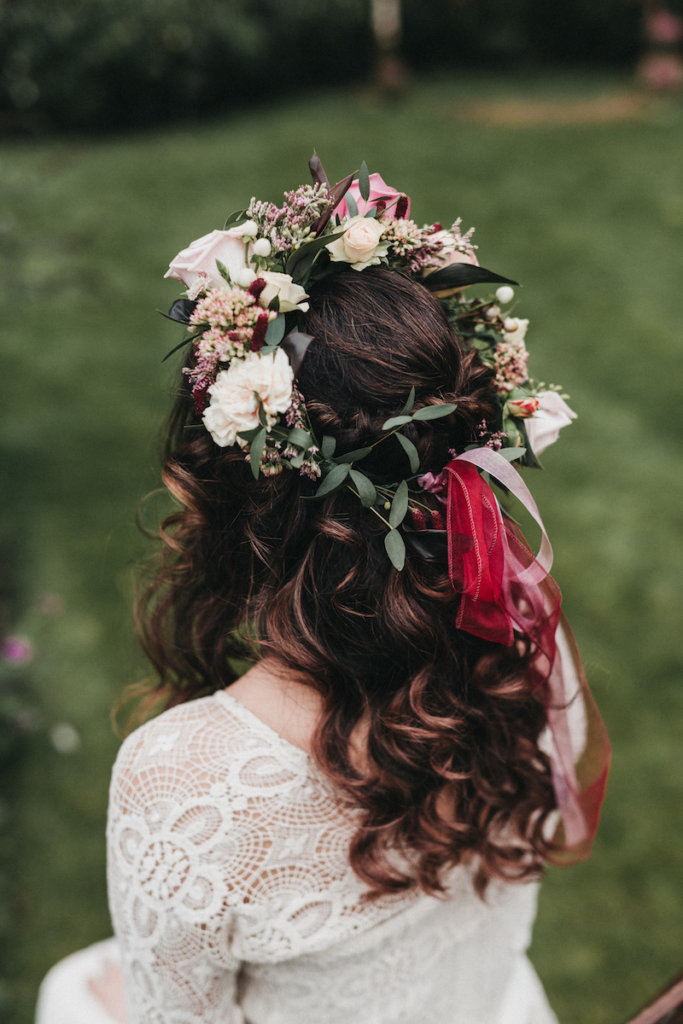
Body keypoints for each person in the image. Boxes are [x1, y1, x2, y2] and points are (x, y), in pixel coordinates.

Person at [36, 160, 610, 1024]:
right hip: (490, 1005)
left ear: (226, 488)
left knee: (73, 992)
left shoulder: (183, 778)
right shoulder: (518, 625)